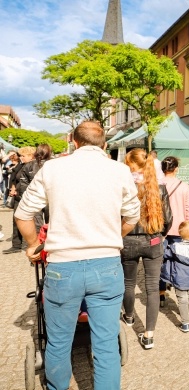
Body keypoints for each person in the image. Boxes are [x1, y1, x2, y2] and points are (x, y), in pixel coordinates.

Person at [15, 121, 141, 390]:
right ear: (104, 144)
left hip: (63, 266)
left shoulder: (53, 168)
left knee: (59, 341)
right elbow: (132, 215)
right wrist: (113, 236)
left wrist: (31, 245)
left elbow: (23, 214)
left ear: (73, 140)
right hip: (106, 265)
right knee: (106, 344)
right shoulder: (119, 171)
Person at [121, 148, 172, 350]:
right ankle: (149, 335)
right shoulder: (158, 188)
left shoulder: (124, 188)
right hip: (153, 241)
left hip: (129, 241)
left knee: (128, 283)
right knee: (152, 288)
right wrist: (160, 235)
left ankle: (130, 316)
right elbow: (168, 219)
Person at [159, 156, 189, 306]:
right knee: (179, 260)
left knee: (161, 260)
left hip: (161, 229)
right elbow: (188, 209)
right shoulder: (184, 186)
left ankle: (161, 293)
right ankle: (179, 289)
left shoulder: (157, 185)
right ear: (176, 169)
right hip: (180, 228)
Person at [160, 220, 189, 333]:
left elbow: (164, 253)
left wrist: (163, 242)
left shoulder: (175, 248)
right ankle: (185, 312)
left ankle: (185, 323)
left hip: (179, 278)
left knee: (182, 298)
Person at [3, 147, 35, 254]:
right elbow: (14, 177)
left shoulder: (34, 165)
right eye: (20, 155)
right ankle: (16, 245)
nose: (21, 157)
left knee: (34, 221)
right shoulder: (21, 165)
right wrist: (13, 188)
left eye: (23, 156)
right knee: (16, 220)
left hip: (30, 197)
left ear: (31, 156)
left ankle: (35, 246)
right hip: (18, 196)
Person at [19, 144, 53, 225]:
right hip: (51, 196)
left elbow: (23, 185)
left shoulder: (28, 165)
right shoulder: (55, 164)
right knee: (52, 223)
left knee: (37, 223)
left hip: (34, 196)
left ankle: (38, 237)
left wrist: (25, 199)